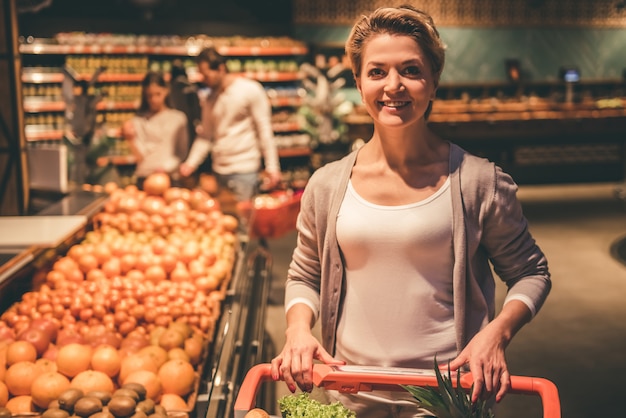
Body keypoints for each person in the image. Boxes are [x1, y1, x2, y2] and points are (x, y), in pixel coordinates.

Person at [270, 5, 551, 417]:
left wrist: (497, 334)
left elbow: (531, 273)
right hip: (349, 390)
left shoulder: (477, 182)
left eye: (411, 70)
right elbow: (305, 274)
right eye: (377, 71)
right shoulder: (327, 185)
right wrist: (297, 330)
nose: (393, 86)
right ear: (359, 82)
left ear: (433, 82)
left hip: (446, 398)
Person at [179, 47, 282, 203]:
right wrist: (190, 164)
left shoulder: (250, 90)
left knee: (243, 223)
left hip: (244, 170)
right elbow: (205, 136)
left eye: (206, 74)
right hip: (219, 171)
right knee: (225, 223)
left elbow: (264, 130)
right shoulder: (209, 99)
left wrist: (272, 167)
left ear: (220, 69)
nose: (203, 79)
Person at [122, 71, 189, 189]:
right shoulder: (138, 121)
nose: (154, 99)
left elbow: (182, 153)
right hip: (144, 177)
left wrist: (166, 168)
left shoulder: (178, 118)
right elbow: (140, 156)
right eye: (149, 95)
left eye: (158, 94)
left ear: (166, 91)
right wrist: (130, 139)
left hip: (170, 178)